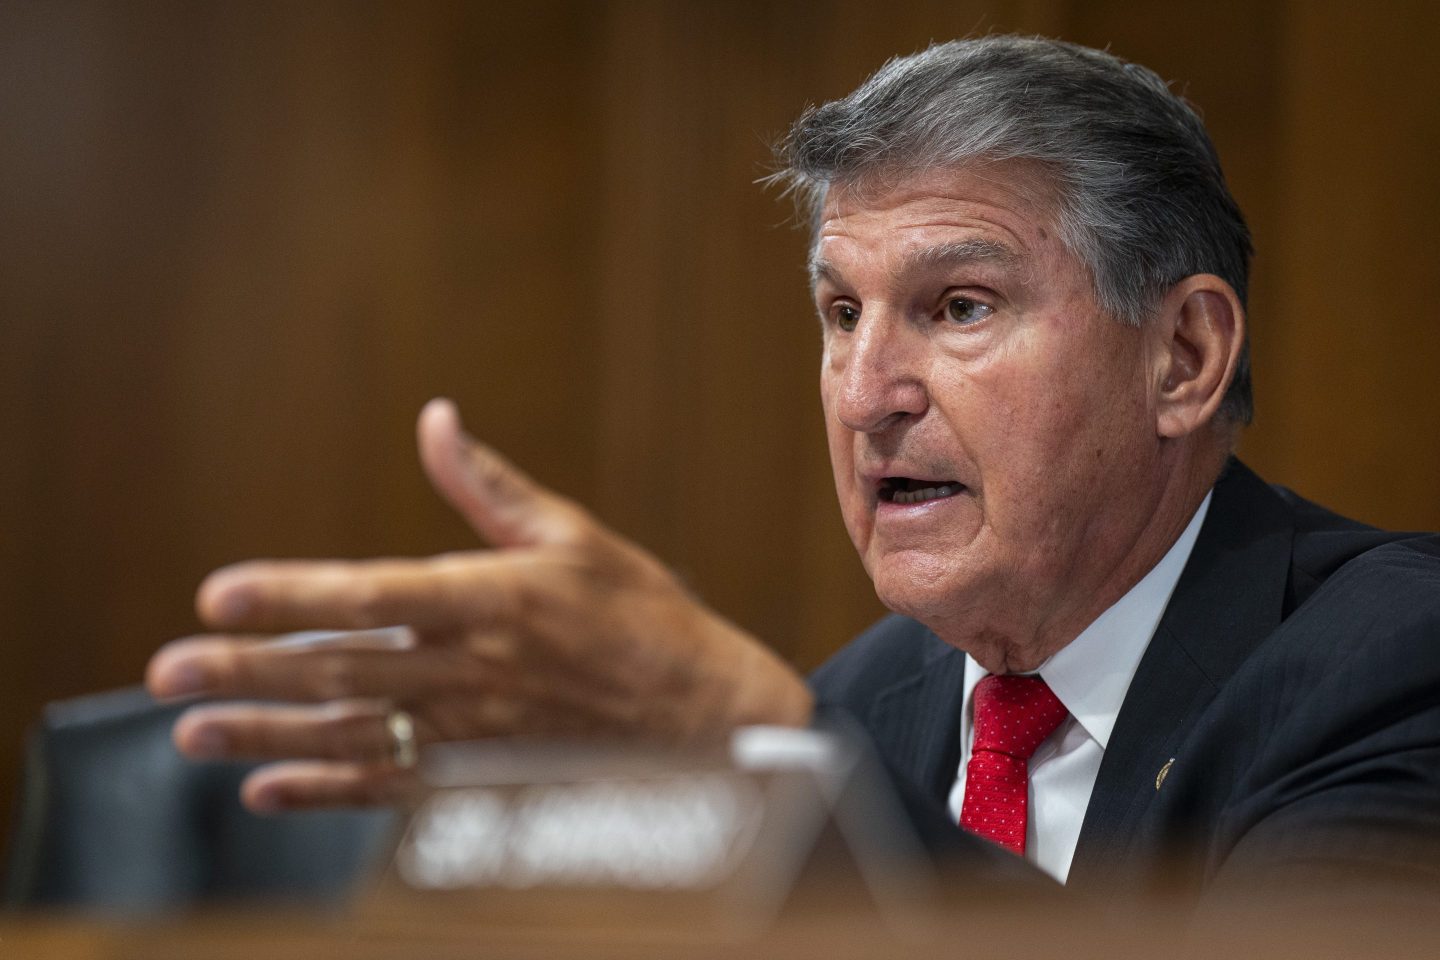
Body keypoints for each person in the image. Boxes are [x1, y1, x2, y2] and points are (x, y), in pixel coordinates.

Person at [146, 36, 1440, 902]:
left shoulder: (1389, 664)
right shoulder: (855, 707)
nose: (867, 395)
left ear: (1184, 357)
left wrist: (759, 750)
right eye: (840, 314)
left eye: (960, 306)